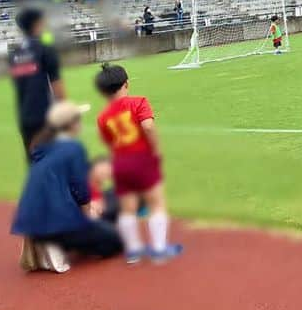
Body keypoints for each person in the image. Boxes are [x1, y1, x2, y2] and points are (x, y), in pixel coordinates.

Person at [12, 101, 123, 272]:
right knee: (114, 241)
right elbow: (79, 188)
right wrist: (87, 216)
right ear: (71, 125)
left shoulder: (40, 146)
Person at [95, 64, 183, 264]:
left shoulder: (102, 116)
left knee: (128, 208)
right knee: (156, 203)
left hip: (120, 163)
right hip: (142, 159)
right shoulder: (138, 102)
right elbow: (148, 125)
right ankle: (159, 250)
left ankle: (133, 252)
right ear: (126, 84)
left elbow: (108, 141)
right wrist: (155, 148)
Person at [9, 8, 66, 160]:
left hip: (24, 117)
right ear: (37, 23)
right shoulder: (45, 49)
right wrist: (65, 113)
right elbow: (56, 84)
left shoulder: (14, 55)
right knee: (53, 162)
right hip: (45, 116)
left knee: (35, 163)